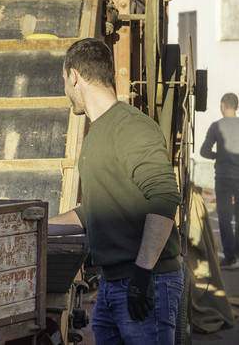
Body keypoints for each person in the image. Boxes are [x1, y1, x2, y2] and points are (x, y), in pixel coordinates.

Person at [49, 38, 182, 343]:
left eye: (64, 81)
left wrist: (142, 273)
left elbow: (164, 195)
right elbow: (96, 209)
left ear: (74, 77)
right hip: (112, 284)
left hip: (147, 282)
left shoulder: (130, 127)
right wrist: (42, 225)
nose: (65, 90)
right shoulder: (98, 133)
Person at [200, 92, 239, 270]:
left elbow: (204, 151)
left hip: (223, 176)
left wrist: (219, 155)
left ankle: (230, 258)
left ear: (222, 106)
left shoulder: (216, 126)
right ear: (237, 107)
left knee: (224, 217)